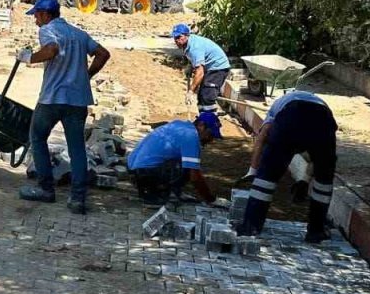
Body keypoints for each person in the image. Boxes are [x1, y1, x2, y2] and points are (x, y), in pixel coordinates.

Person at [18, 0, 111, 214]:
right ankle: (78, 199)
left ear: (45, 15)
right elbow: (103, 54)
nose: (36, 21)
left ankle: (46, 189)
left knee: (37, 137)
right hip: (78, 100)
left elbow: (50, 51)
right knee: (76, 147)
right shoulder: (78, 34)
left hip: (52, 98)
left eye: (37, 16)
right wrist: (86, 75)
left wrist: (29, 58)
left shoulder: (48, 30)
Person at [237, 90, 338, 243]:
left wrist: (253, 170)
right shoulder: (318, 105)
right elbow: (316, 157)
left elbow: (262, 137)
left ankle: (251, 226)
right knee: (324, 177)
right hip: (323, 119)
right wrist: (305, 181)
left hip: (292, 116)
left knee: (268, 173)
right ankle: (316, 231)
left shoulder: (278, 107)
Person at [126, 111, 222, 206]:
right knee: (186, 166)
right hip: (144, 174)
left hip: (132, 168)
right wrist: (211, 199)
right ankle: (153, 194)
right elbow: (195, 176)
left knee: (182, 160)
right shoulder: (191, 136)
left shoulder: (180, 125)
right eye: (210, 134)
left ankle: (169, 191)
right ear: (201, 125)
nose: (210, 139)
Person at [172, 24, 232, 113]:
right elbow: (196, 61)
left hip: (218, 67)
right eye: (175, 38)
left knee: (208, 96)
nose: (176, 40)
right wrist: (191, 66)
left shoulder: (195, 47)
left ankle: (210, 123)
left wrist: (191, 91)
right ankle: (202, 121)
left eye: (179, 37)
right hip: (209, 67)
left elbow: (200, 73)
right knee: (201, 96)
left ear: (187, 35)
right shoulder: (187, 44)